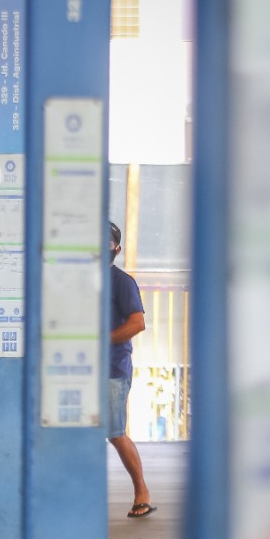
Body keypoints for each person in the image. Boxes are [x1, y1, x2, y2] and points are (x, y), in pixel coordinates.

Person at [107, 222, 154, 518]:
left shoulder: (122, 282)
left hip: (112, 368)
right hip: (75, 369)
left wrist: (101, 341)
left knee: (114, 431)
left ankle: (141, 492)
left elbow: (138, 322)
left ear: (116, 249)